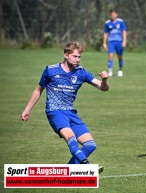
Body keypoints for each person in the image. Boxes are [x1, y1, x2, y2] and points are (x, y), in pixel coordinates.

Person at [20, 42, 109, 170]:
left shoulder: (81, 72)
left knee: (90, 145)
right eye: (75, 56)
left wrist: (105, 80)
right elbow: (38, 90)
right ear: (66, 55)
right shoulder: (51, 70)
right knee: (71, 139)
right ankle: (88, 167)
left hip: (71, 113)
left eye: (79, 57)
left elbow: (103, 88)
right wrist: (27, 109)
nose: (77, 59)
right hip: (55, 111)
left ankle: (68, 171)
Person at [103, 8, 127, 77]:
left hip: (119, 41)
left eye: (114, 14)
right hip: (111, 42)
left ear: (116, 14)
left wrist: (124, 41)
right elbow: (105, 33)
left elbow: (124, 31)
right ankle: (110, 71)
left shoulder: (121, 22)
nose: (112, 16)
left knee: (120, 56)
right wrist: (104, 43)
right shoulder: (107, 23)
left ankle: (120, 70)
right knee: (110, 55)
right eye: (111, 14)